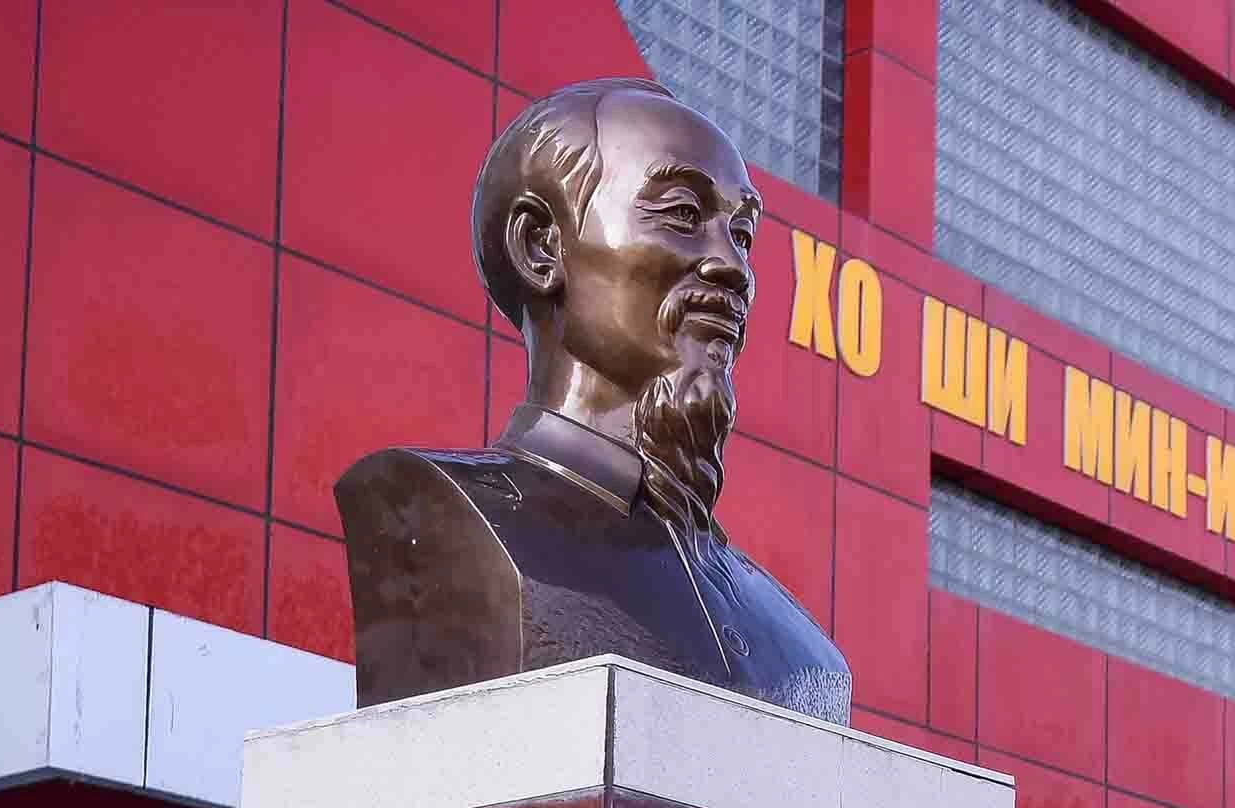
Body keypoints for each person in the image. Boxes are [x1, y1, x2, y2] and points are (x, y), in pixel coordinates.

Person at [336, 78, 852, 721]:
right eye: (683, 215)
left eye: (742, 234)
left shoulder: (805, 655)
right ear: (540, 247)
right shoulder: (439, 516)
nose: (735, 269)